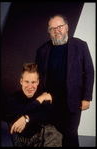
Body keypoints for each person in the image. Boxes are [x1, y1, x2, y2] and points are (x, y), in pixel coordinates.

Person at [35, 14, 94, 147]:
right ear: (49, 32)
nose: (57, 31)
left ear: (66, 27)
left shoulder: (81, 46)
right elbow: (37, 76)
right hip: (49, 103)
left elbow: (89, 72)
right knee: (52, 137)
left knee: (70, 136)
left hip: (72, 101)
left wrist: (86, 98)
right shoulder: (42, 50)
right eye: (52, 28)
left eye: (60, 26)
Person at [8, 63, 62, 147]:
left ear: (38, 82)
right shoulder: (14, 98)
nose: (30, 86)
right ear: (21, 81)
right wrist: (39, 100)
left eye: (33, 82)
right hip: (23, 138)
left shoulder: (43, 95)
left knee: (54, 133)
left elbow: (46, 115)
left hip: (40, 136)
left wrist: (26, 118)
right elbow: (19, 111)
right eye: (27, 82)